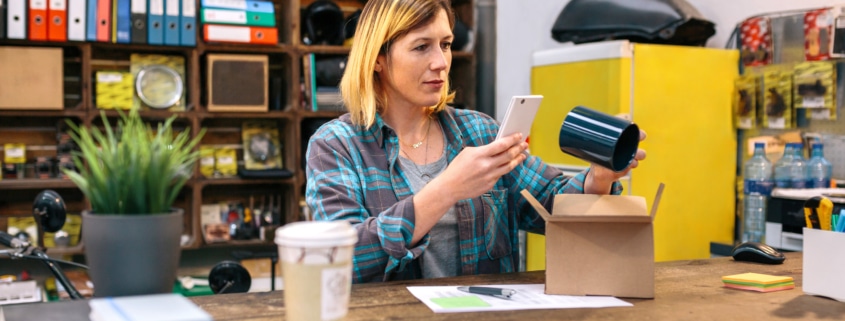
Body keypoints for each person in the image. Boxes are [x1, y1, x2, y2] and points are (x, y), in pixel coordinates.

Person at [305, 0, 647, 283]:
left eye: (446, 44)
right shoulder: (336, 145)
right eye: (421, 47)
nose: (440, 62)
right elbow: (340, 259)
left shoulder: (480, 132)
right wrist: (447, 189)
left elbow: (552, 208)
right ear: (378, 58)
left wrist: (599, 177)